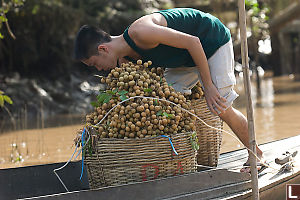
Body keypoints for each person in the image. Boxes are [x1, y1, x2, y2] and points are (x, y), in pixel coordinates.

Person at [73, 7, 264, 172]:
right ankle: (184, 159)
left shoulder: (140, 32)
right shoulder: (124, 59)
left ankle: (256, 154)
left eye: (94, 64)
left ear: (103, 49)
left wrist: (208, 86)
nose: (98, 70)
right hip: (186, 58)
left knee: (221, 105)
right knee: (169, 103)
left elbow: (193, 42)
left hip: (211, 40)